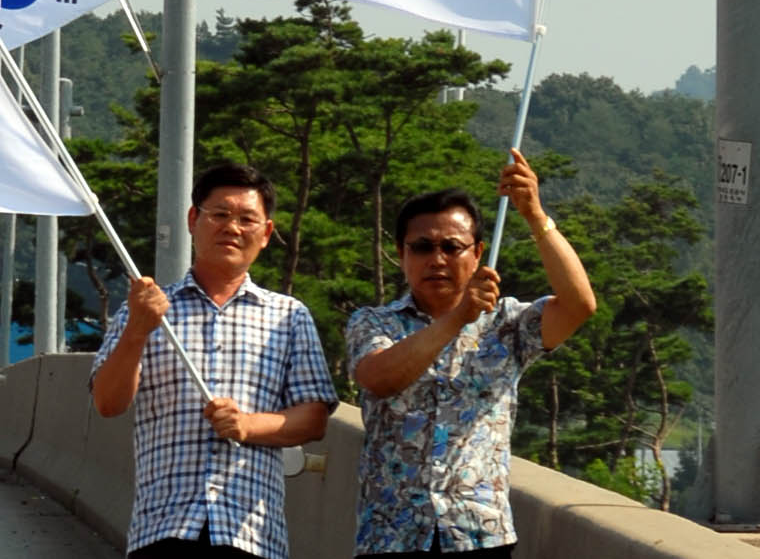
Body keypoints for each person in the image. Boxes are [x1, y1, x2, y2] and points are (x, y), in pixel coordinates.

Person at [347, 148, 597, 558]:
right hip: (390, 537)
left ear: (478, 253)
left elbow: (579, 305)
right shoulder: (373, 323)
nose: (437, 259)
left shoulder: (508, 324)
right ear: (402, 253)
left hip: (479, 535)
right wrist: (459, 317)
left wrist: (535, 216)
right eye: (422, 247)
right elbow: (379, 377)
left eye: (452, 246)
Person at [91, 162, 339, 557]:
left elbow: (313, 419)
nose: (232, 228)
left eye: (247, 219)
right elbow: (108, 402)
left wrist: (247, 425)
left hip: (251, 533)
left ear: (267, 233)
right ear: (194, 219)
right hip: (163, 526)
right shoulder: (146, 309)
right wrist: (138, 330)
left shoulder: (289, 316)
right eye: (219, 215)